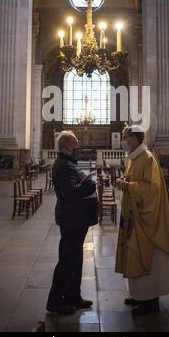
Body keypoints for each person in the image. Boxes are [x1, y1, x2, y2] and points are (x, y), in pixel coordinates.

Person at [115, 125, 169, 316]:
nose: (124, 141)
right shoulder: (133, 158)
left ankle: (150, 301)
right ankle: (138, 295)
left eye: (126, 137)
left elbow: (152, 190)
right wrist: (126, 182)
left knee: (144, 254)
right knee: (133, 254)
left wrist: (128, 185)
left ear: (135, 138)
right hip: (133, 215)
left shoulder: (148, 158)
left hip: (146, 219)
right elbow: (134, 180)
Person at [46, 131, 98, 315]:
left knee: (75, 260)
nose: (78, 148)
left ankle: (73, 296)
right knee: (67, 261)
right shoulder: (64, 165)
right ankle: (55, 301)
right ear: (67, 147)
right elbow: (71, 192)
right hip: (71, 219)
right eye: (76, 145)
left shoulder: (68, 163)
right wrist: (90, 185)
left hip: (76, 218)